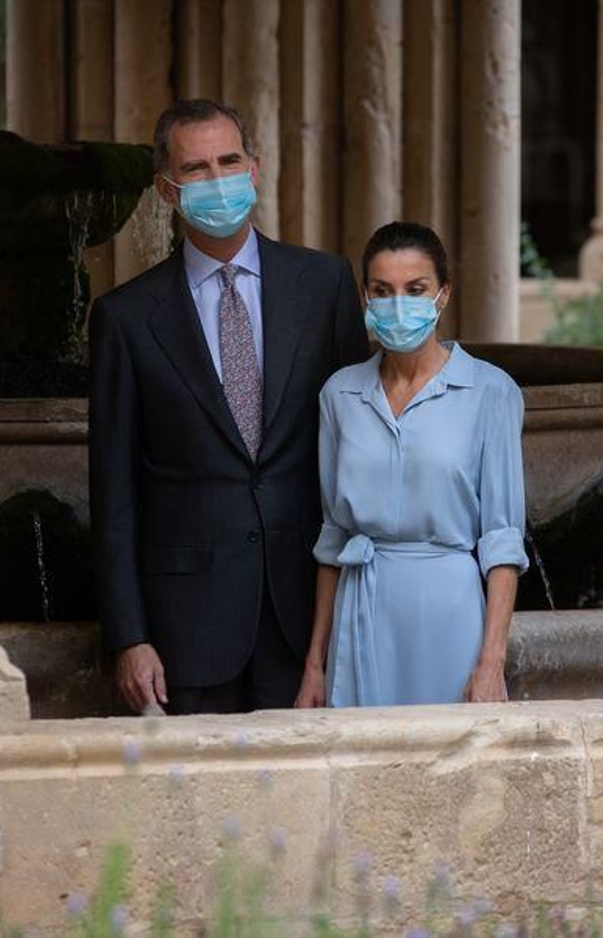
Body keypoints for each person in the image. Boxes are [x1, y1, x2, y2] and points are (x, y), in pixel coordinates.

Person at [89, 99, 370, 715]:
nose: (218, 180)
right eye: (196, 169)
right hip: (186, 628)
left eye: (229, 160)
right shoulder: (126, 319)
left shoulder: (324, 286)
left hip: (307, 615)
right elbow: (114, 493)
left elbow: (359, 448)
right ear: (167, 190)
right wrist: (129, 636)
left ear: (255, 166)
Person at [294, 222, 528, 708]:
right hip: (361, 606)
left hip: (449, 611)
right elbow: (333, 538)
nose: (398, 304)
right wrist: (315, 664)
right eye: (383, 291)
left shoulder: (491, 391)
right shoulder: (339, 394)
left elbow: (503, 538)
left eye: (415, 289)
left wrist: (491, 661)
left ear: (442, 295)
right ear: (365, 297)